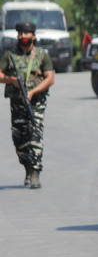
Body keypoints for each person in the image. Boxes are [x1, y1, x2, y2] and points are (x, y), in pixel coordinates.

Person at [0, 22, 55, 189]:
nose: (23, 36)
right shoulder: (9, 55)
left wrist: (33, 92)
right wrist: (11, 81)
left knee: (35, 135)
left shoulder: (41, 55)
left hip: (36, 102)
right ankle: (28, 168)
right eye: (20, 33)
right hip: (17, 103)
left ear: (33, 36)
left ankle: (36, 172)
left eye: (26, 33)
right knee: (19, 139)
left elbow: (50, 78)